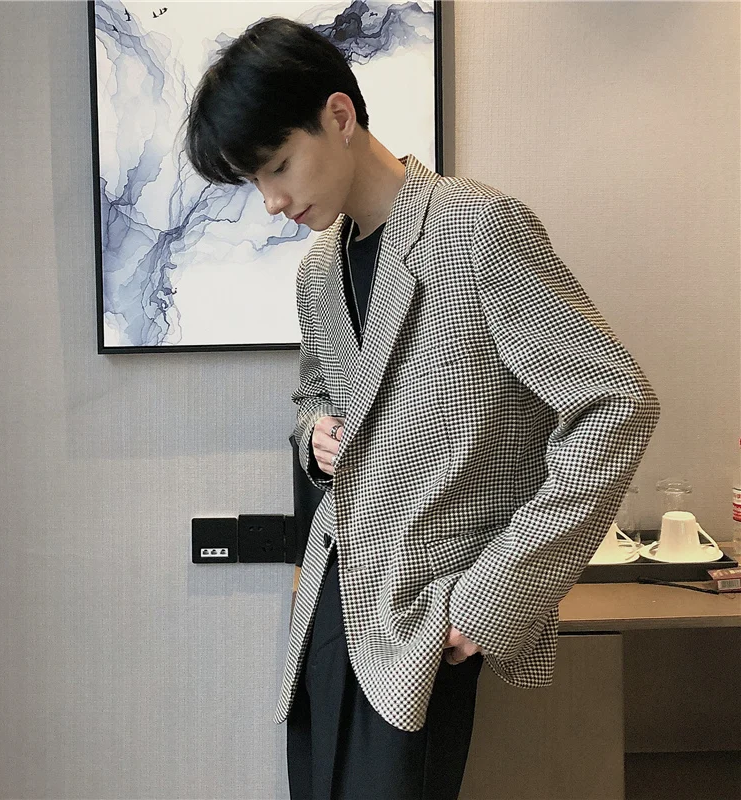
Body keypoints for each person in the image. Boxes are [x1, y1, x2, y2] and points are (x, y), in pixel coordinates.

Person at [185, 16, 660, 800]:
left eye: (278, 166)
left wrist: (495, 593)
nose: (271, 201)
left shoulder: (477, 228)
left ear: (339, 115)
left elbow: (616, 403)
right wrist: (315, 434)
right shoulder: (317, 271)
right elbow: (315, 394)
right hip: (329, 615)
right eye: (253, 181)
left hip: (425, 623)